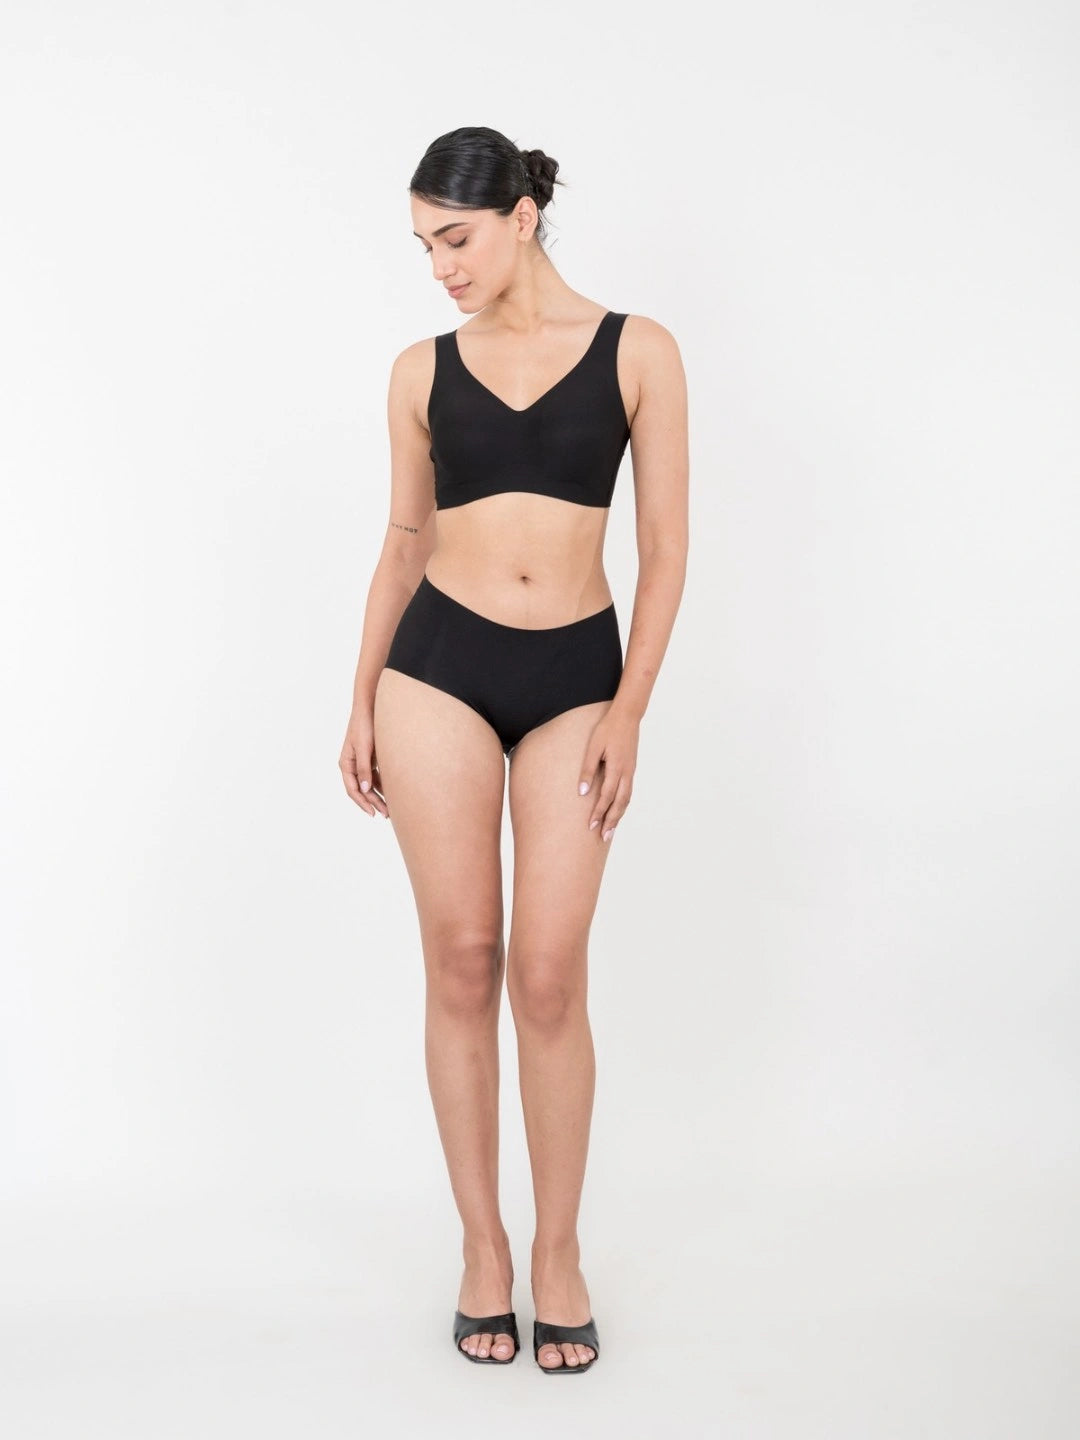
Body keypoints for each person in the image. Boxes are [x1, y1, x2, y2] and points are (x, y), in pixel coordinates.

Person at [339, 125, 688, 1374]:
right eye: (424, 246)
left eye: (457, 238)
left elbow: (665, 549)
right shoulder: (419, 372)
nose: (440, 267)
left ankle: (559, 1252)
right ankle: (484, 1249)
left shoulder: (639, 351)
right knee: (461, 960)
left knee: (545, 974)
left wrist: (630, 709)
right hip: (436, 670)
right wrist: (360, 699)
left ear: (523, 216)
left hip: (577, 681)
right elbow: (403, 542)